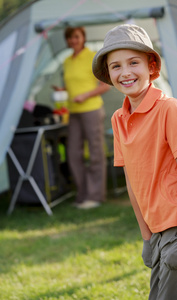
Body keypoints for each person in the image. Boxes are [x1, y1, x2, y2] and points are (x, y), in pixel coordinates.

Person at [92, 24, 177, 299]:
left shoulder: (169, 109)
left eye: (133, 62)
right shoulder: (118, 119)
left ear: (151, 66)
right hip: (157, 230)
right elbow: (132, 181)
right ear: (108, 75)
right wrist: (147, 237)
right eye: (115, 66)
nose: (125, 72)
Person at [54, 26, 110, 209]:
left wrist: (84, 96)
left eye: (76, 37)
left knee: (95, 153)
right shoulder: (67, 61)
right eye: (69, 38)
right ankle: (82, 194)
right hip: (73, 112)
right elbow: (73, 85)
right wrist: (64, 91)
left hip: (91, 110)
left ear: (83, 38)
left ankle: (95, 196)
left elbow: (105, 86)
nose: (73, 40)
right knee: (73, 153)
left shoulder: (92, 57)